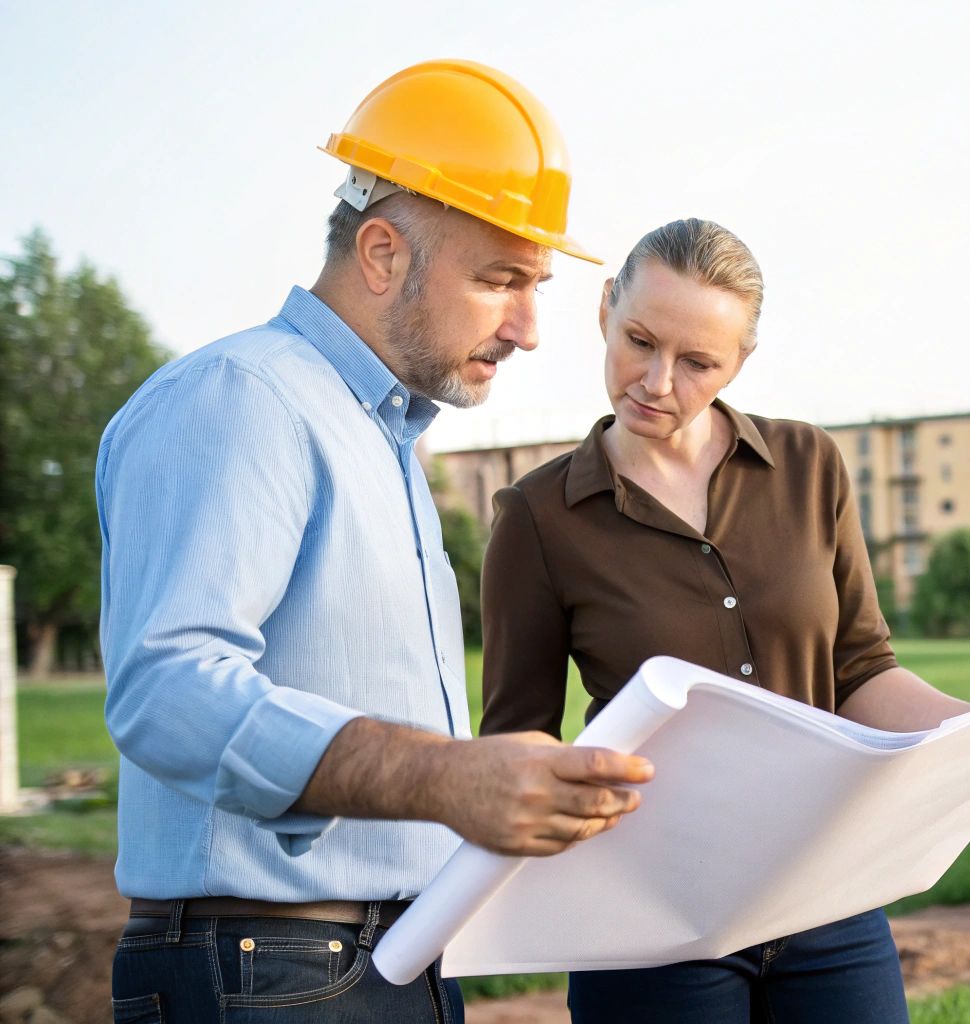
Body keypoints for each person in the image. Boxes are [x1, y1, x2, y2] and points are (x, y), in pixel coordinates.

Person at [97, 60, 652, 1023]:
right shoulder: (244, 399)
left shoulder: (381, 440)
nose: (528, 327)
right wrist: (444, 778)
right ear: (383, 253)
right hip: (267, 974)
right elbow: (166, 689)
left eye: (537, 285)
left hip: (382, 961)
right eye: (499, 280)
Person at [479, 218, 970, 1023]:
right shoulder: (538, 516)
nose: (656, 381)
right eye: (639, 341)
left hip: (828, 896)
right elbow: (519, 741)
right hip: (651, 922)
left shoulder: (808, 464)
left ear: (742, 360)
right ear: (605, 306)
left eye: (698, 363)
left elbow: (860, 669)